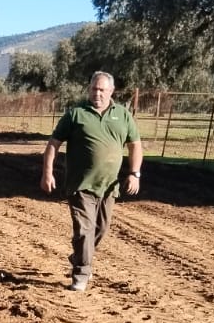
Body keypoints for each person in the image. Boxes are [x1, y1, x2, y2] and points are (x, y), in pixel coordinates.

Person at [39, 72, 143, 292]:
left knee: (101, 229)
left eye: (102, 90)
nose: (97, 93)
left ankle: (79, 255)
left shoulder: (123, 115)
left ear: (111, 91)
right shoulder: (76, 115)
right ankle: (81, 274)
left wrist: (134, 173)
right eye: (94, 89)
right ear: (89, 89)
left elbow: (135, 145)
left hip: (109, 186)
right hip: (81, 185)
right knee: (84, 230)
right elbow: (53, 144)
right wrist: (47, 173)